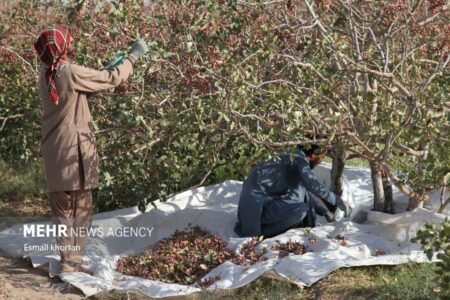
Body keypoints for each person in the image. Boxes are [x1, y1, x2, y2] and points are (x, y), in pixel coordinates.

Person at [33, 25, 148, 273]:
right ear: (62, 48)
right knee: (82, 211)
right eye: (68, 40)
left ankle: (67, 262)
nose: (72, 42)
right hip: (74, 155)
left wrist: (100, 73)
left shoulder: (46, 73)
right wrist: (132, 56)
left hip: (54, 154)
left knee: (62, 213)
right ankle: (74, 263)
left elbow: (71, 94)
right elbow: (111, 79)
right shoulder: (70, 72)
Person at [234, 143, 351, 238]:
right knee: (301, 211)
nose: (321, 161)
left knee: (301, 204)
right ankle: (263, 234)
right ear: (316, 154)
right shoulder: (299, 161)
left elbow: (303, 191)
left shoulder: (291, 158)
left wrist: (323, 211)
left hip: (249, 211)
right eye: (322, 156)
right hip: (257, 211)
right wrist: (338, 201)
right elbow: (312, 186)